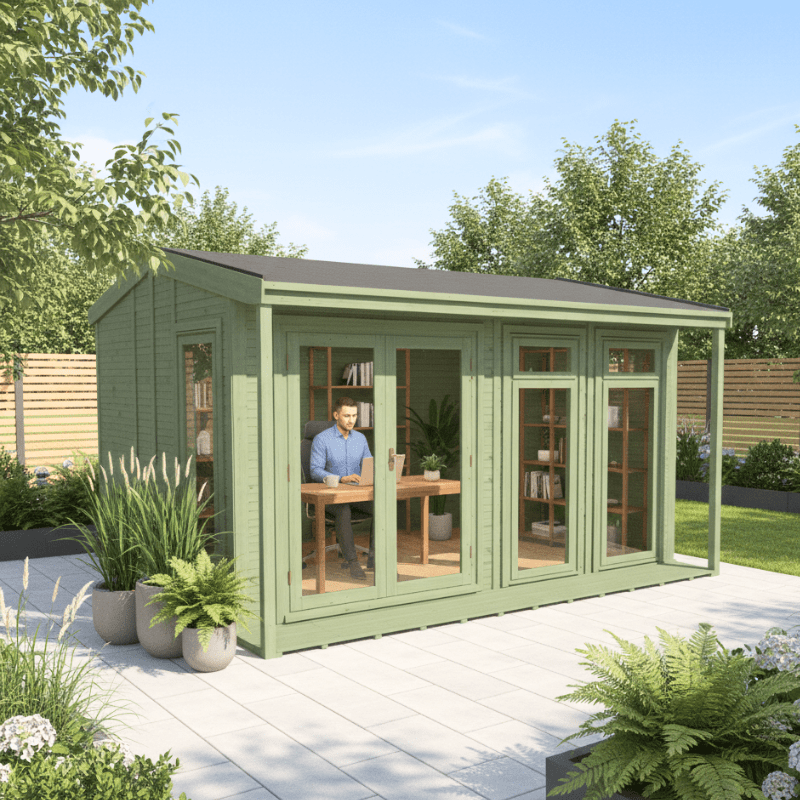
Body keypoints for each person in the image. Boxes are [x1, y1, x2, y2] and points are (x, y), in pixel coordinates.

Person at [310, 396, 374, 580]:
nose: (351, 420)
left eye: (354, 415)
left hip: (356, 494)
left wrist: (372, 475)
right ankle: (353, 562)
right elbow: (315, 470)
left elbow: (369, 464)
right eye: (347, 415)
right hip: (330, 497)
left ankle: (374, 558)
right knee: (343, 510)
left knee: (382, 506)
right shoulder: (322, 439)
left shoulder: (360, 439)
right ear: (336, 415)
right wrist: (341, 479)